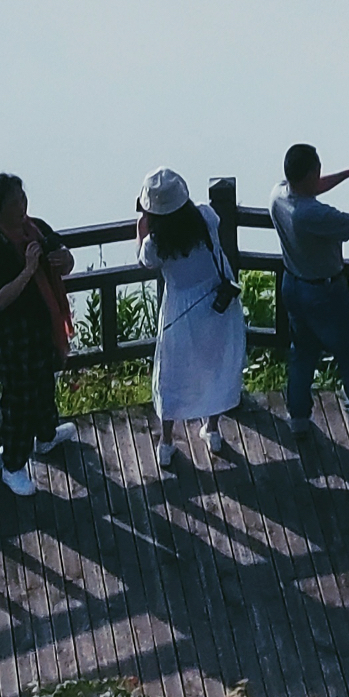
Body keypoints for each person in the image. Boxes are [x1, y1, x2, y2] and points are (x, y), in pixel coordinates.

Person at [269, 140, 349, 443]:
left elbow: (309, 187)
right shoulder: (314, 215)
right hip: (325, 292)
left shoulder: (278, 195)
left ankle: (298, 418)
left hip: (293, 284)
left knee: (302, 353)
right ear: (314, 172)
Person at [137, 168, 248, 475]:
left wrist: (141, 227)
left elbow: (145, 261)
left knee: (173, 372)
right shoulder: (206, 217)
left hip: (181, 308)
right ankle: (211, 430)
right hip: (217, 302)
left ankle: (167, 443)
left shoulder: (157, 243)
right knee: (213, 365)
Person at [0, 173, 76, 496]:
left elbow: (66, 259)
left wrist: (64, 260)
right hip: (12, 333)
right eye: (16, 201)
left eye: (23, 198)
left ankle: (46, 435)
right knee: (18, 398)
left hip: (42, 326)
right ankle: (13, 465)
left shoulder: (36, 229)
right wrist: (28, 270)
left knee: (45, 382)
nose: (23, 206)